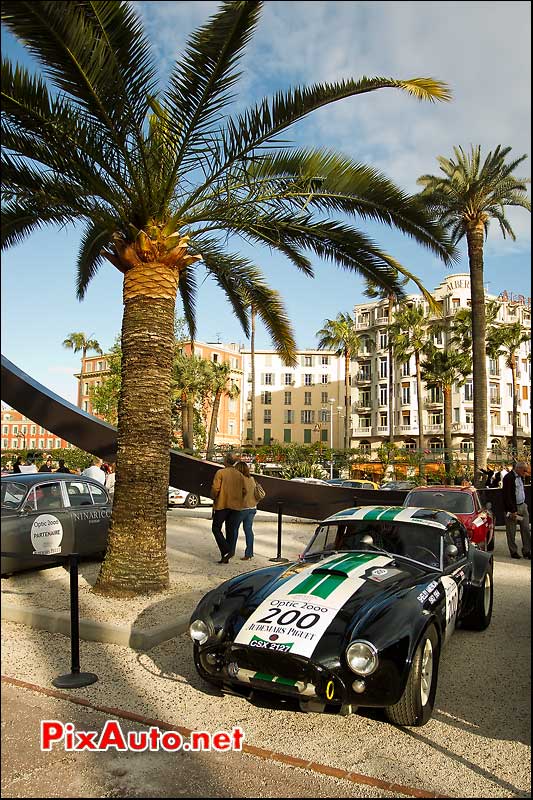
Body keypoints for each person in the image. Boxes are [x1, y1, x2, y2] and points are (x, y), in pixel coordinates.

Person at [210, 452, 246, 564]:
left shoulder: (220, 472)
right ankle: (226, 556)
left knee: (216, 528)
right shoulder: (240, 475)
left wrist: (213, 496)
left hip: (222, 504)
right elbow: (244, 491)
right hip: (236, 506)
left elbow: (215, 488)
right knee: (230, 529)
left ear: (226, 461)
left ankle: (226, 550)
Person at [502, 462, 531, 560]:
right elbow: (507, 496)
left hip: (523, 506)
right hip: (513, 508)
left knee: (526, 529)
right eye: (524, 470)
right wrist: (512, 510)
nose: (525, 472)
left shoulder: (521, 477)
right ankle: (513, 551)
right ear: (518, 469)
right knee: (511, 531)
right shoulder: (508, 478)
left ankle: (527, 550)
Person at [232, 461, 258, 560]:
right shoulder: (252, 479)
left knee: (234, 530)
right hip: (252, 508)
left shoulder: (239, 480)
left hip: (242, 508)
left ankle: (231, 551)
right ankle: (249, 554)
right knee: (248, 530)